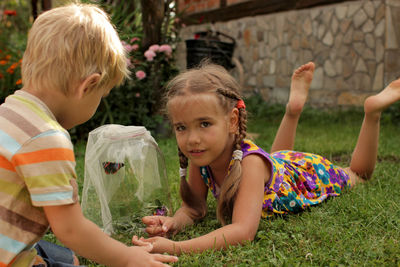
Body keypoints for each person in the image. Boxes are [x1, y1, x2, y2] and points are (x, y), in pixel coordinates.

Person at [132, 61, 400, 254]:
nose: (192, 139)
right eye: (181, 127)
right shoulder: (199, 158)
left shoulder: (250, 165)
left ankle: (371, 112)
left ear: (232, 120)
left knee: (358, 175)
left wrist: (178, 248)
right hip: (276, 166)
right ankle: (293, 110)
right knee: (275, 158)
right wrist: (172, 224)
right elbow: (194, 209)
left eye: (204, 124)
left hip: (304, 174)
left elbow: (242, 232)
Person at [0, 3, 178, 267]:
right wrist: (127, 257)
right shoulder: (46, 138)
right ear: (89, 85)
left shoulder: (9, 111)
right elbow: (70, 230)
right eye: (101, 96)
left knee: (61, 255)